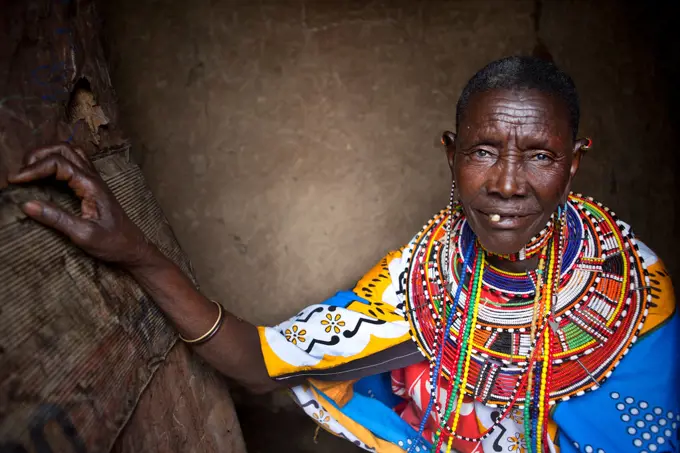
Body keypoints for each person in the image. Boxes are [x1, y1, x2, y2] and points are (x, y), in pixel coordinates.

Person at [8, 56, 678, 453]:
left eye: (539, 155)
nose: (506, 182)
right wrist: (135, 252)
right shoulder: (424, 275)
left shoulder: (636, 297)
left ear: (574, 164)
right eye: (482, 150)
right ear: (450, 153)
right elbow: (259, 360)